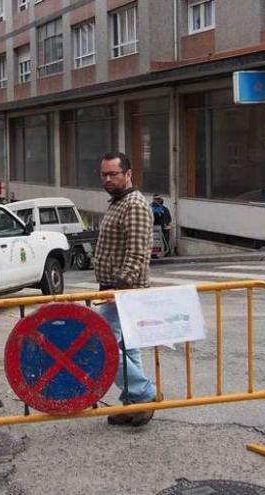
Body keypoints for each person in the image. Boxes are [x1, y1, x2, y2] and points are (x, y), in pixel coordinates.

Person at [95, 152, 157, 427]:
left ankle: (145, 394)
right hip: (115, 289)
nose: (108, 179)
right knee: (128, 349)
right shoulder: (118, 203)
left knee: (102, 346)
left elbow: (137, 253)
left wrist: (117, 289)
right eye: (104, 174)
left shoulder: (134, 204)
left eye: (113, 174)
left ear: (128, 174)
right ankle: (133, 403)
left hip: (124, 291)